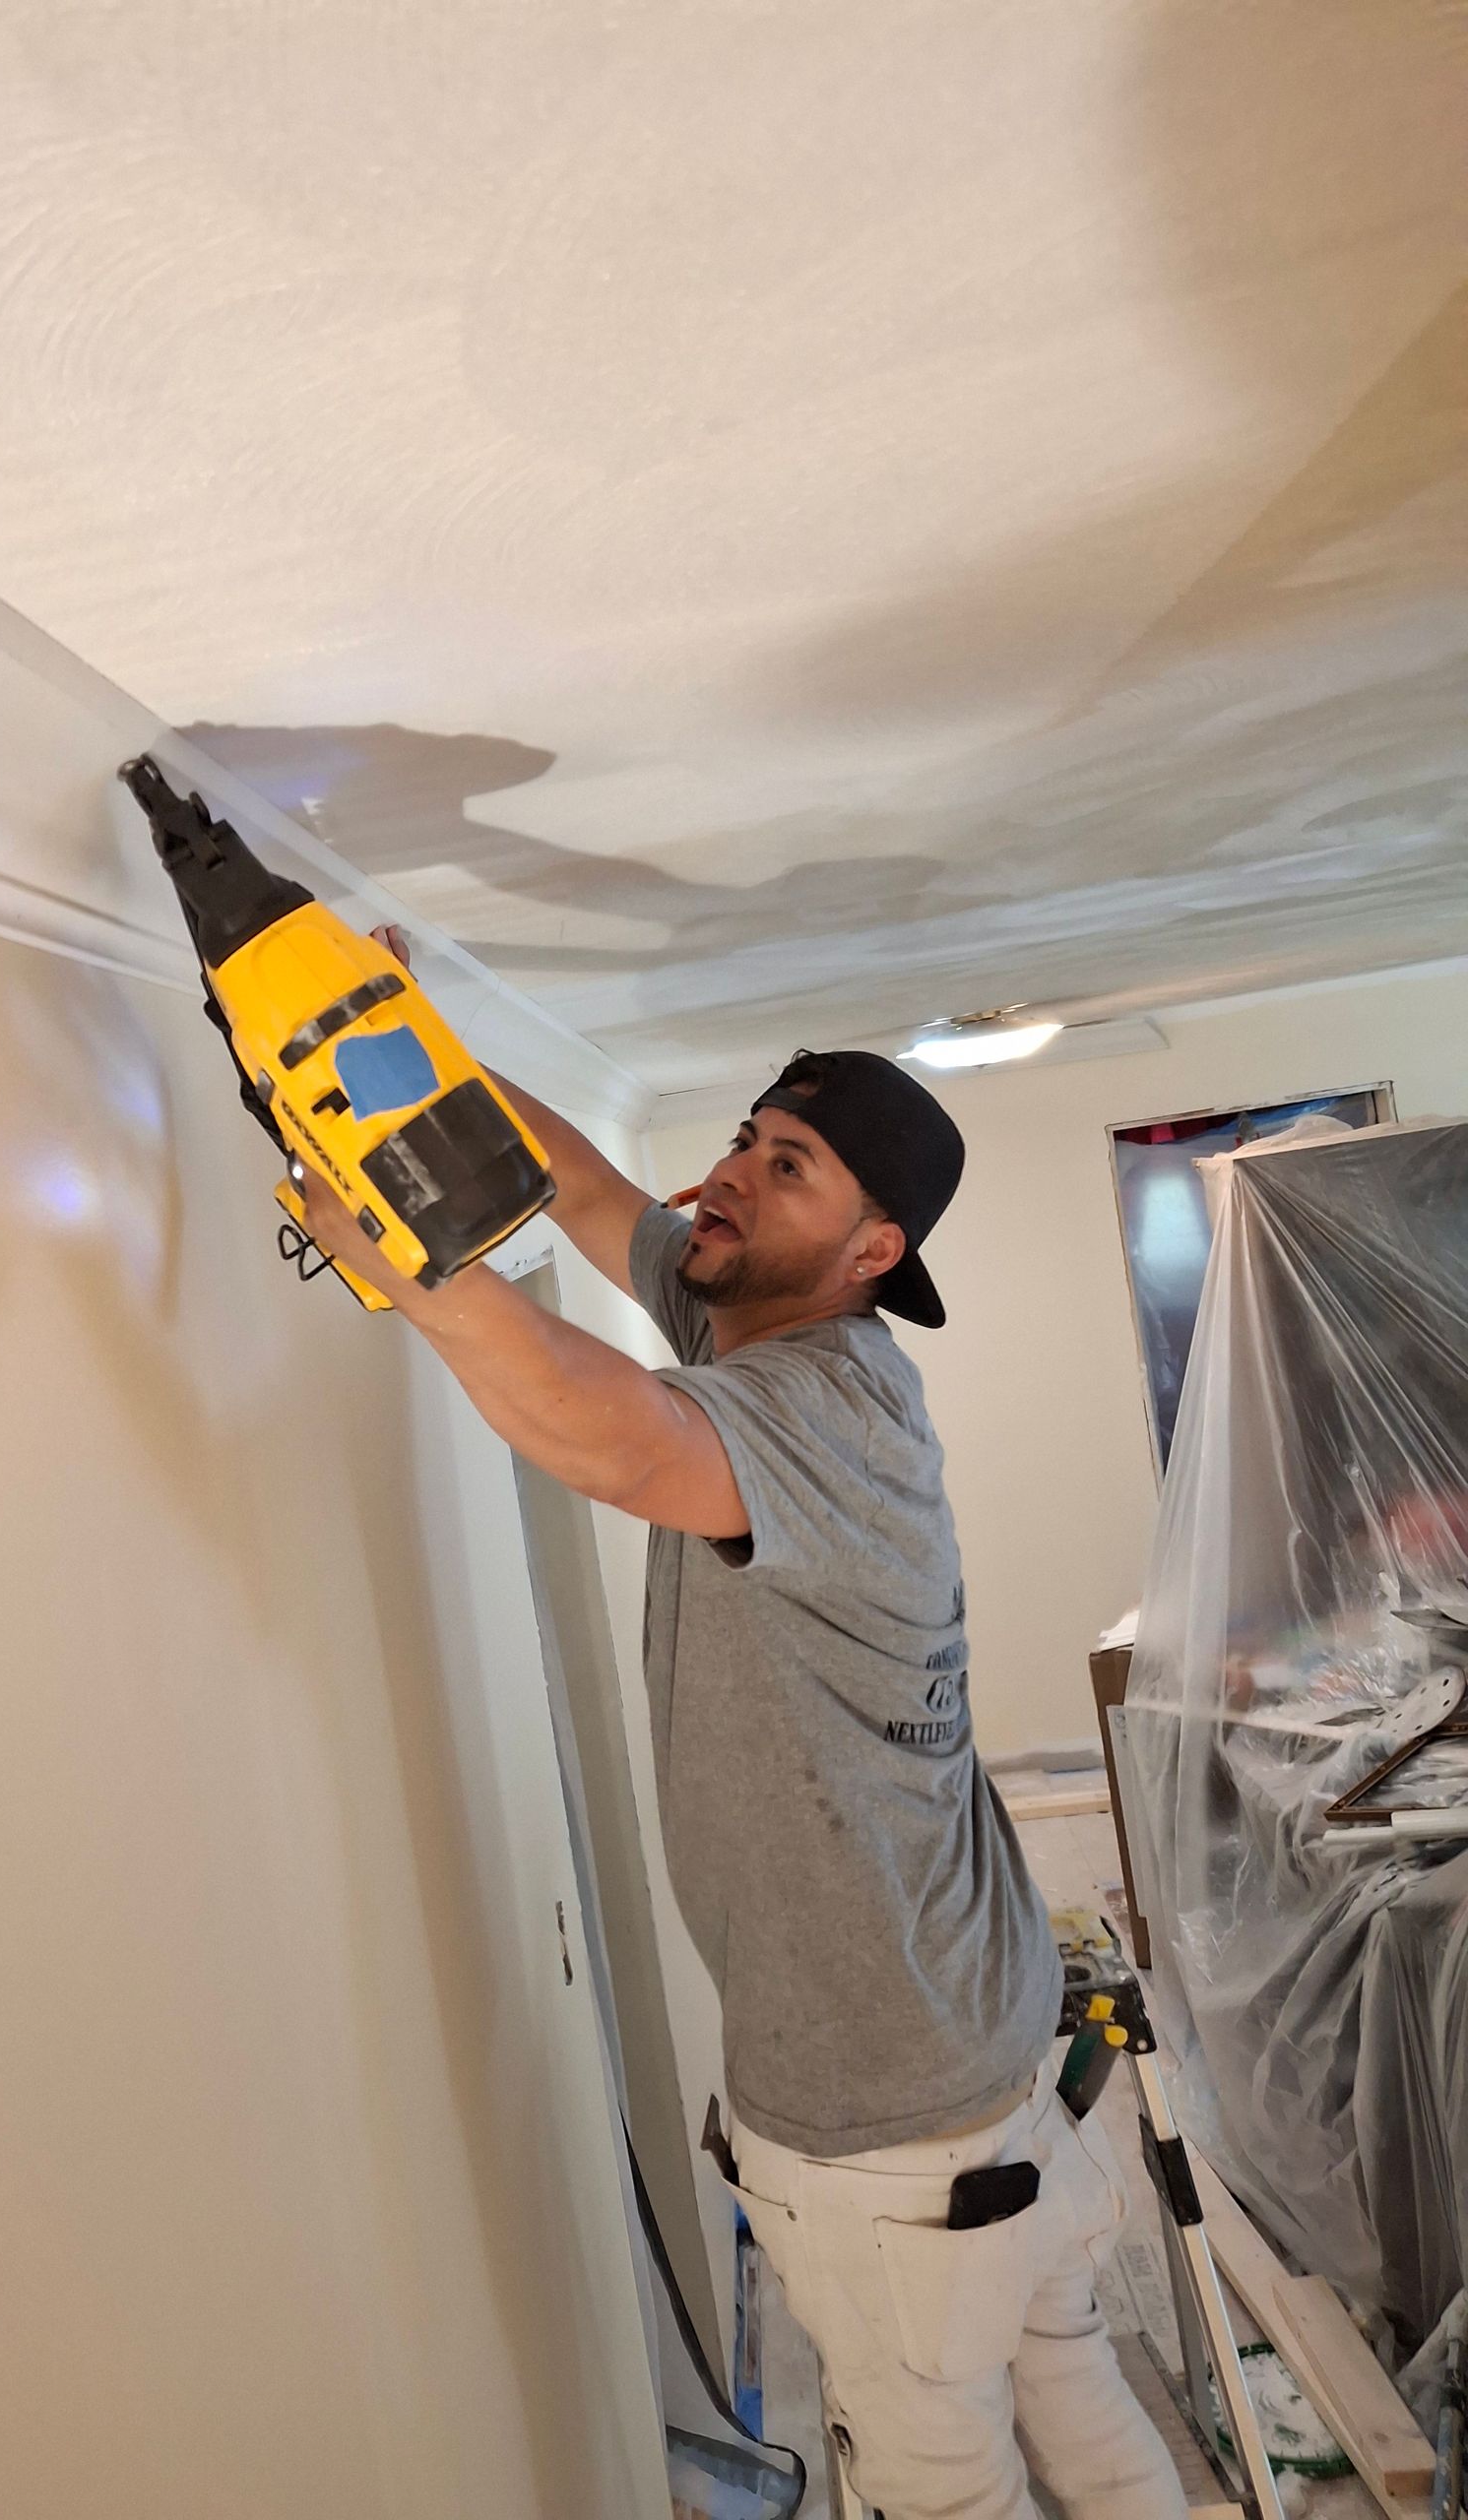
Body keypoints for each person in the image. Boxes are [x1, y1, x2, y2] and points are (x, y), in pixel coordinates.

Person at [293, 964, 1185, 2520]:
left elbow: (609, 1438)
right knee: (1079, 2399)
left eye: (788, 1168)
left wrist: (401, 1253)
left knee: (938, 2489)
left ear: (870, 1251)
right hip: (982, 2048)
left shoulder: (825, 1412)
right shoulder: (738, 1313)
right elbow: (574, 1183)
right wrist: (389, 1045)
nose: (727, 1178)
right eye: (745, 1138)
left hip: (890, 2109)